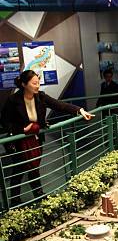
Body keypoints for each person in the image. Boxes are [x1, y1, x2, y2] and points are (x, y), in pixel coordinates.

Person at [1, 70, 94, 207]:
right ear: (24, 84)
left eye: (38, 83)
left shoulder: (41, 97)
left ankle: (36, 196)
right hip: (19, 141)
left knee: (33, 167)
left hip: (36, 139)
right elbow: (5, 121)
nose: (37, 86)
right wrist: (22, 130)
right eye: (34, 83)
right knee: (19, 169)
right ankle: (17, 199)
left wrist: (79, 110)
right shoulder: (13, 100)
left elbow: (60, 105)